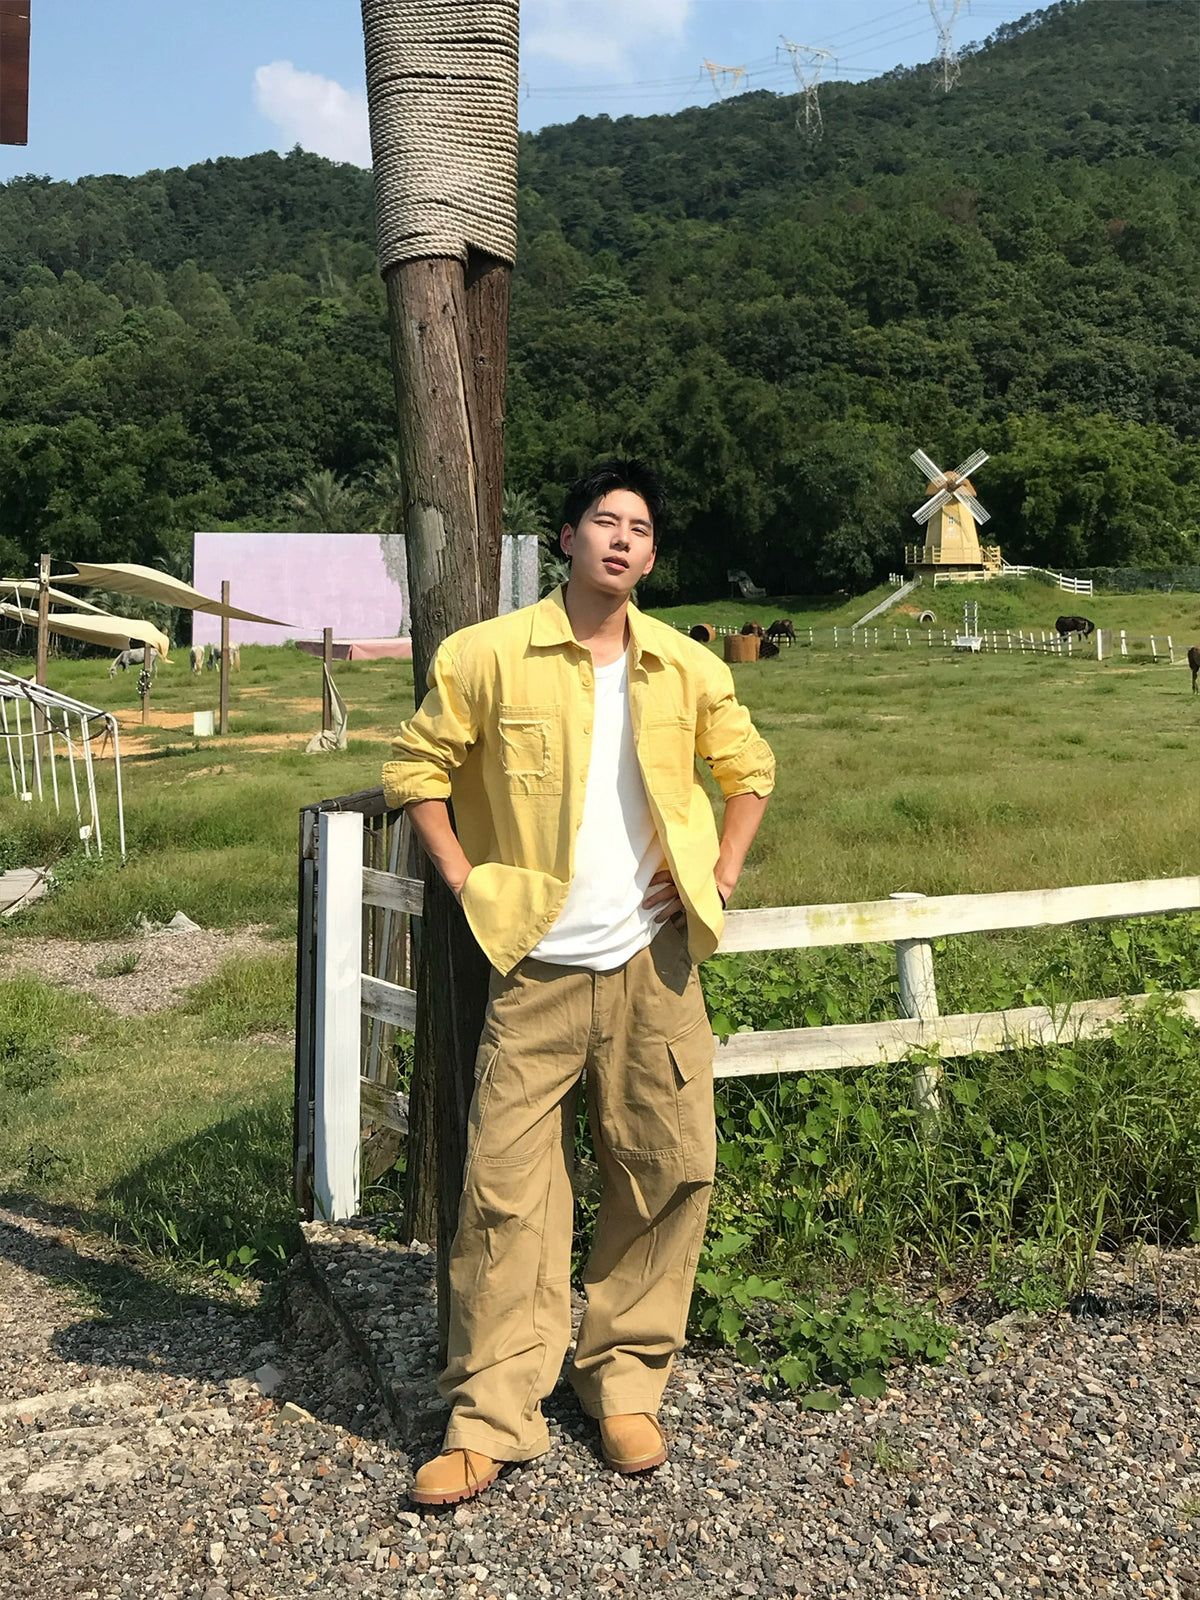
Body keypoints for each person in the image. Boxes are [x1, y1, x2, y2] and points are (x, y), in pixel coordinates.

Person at [383, 459, 774, 1506]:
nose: (622, 539)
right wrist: (465, 879)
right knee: (504, 1191)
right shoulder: (488, 655)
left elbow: (750, 771)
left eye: (640, 528)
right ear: (567, 537)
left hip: (656, 965)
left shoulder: (686, 666)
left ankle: (624, 1384)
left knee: (668, 1169)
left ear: (651, 554)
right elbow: (416, 769)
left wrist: (720, 873)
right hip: (538, 965)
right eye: (606, 520)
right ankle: (491, 1418)